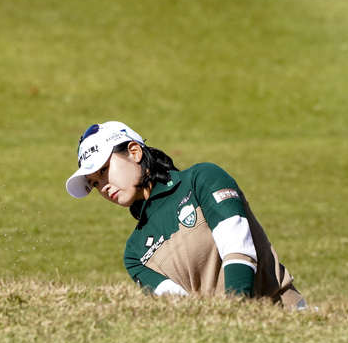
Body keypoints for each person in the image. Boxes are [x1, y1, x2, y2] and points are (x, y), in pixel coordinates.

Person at [66, 121, 306, 309]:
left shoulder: (202, 178)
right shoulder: (135, 254)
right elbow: (183, 308)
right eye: (94, 183)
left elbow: (239, 249)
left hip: (284, 317)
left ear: (134, 151)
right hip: (220, 340)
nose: (103, 186)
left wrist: (236, 314)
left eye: (105, 170)